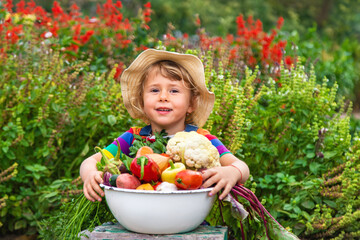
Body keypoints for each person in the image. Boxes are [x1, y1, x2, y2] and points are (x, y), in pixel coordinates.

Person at [80, 49, 250, 202]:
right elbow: (90, 162)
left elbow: (241, 166)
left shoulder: (201, 139)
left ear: (191, 104)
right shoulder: (133, 137)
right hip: (138, 216)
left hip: (189, 219)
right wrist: (90, 175)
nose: (163, 97)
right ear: (142, 101)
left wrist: (233, 172)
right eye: (154, 90)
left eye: (174, 91)